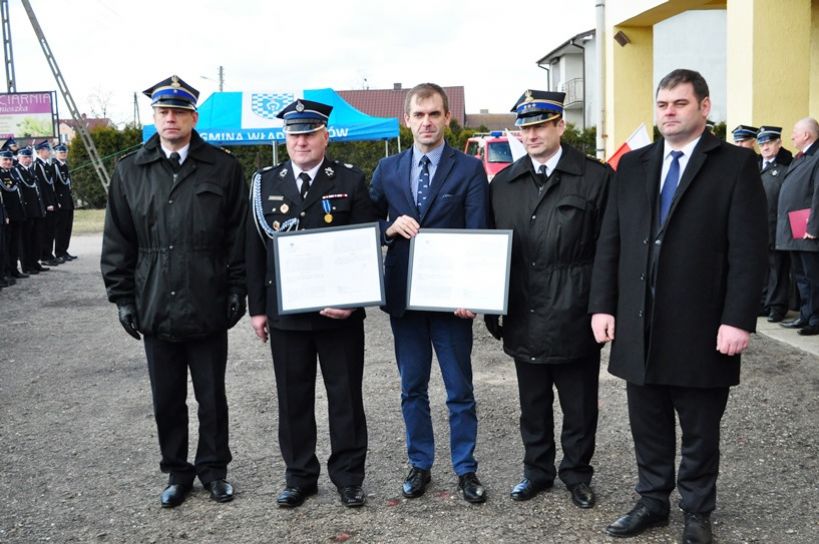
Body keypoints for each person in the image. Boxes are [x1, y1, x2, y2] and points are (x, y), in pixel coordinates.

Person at [589, 69, 767, 543]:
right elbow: (611, 240)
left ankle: (696, 510)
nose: (668, 112)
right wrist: (602, 305)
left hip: (701, 324)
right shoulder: (633, 165)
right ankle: (652, 501)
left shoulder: (734, 165)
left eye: (680, 103)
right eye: (663, 104)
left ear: (704, 107)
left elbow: (749, 251)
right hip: (639, 322)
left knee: (700, 428)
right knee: (647, 423)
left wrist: (737, 319)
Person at [101, 75, 248, 508]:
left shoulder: (222, 168)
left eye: (179, 112)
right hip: (155, 301)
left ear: (193, 118)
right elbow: (118, 240)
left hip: (207, 298)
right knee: (166, 398)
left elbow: (237, 235)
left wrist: (237, 287)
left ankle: (214, 470)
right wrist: (122, 298)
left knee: (211, 396)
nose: (171, 118)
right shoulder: (130, 170)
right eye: (163, 111)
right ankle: (177, 471)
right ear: (154, 116)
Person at [484, 90, 611, 508]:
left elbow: (609, 250)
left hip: (574, 310)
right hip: (525, 310)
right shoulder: (504, 183)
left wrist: (602, 306)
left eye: (541, 125)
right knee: (532, 404)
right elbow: (490, 248)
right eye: (525, 127)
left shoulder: (595, 178)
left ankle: (577, 473)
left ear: (560, 125)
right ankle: (536, 471)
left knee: (579, 406)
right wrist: (489, 302)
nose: (532, 134)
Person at [246, 99, 375, 509]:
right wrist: (257, 308)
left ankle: (349, 478)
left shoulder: (351, 180)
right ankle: (299, 476)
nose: (301, 141)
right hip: (287, 315)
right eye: (294, 134)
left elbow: (365, 247)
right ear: (285, 138)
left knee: (346, 398)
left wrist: (353, 300)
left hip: (340, 316)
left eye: (309, 133)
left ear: (325, 136)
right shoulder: (264, 183)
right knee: (293, 399)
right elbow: (253, 250)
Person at [369, 82, 490, 504]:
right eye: (419, 115)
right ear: (407, 120)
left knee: (459, 390)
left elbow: (479, 234)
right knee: (412, 388)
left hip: (451, 303)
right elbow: (363, 225)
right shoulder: (387, 169)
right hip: (405, 299)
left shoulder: (469, 169)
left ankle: (465, 469)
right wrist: (388, 228)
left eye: (434, 114)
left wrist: (472, 293)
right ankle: (420, 464)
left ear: (447, 118)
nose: (426, 122)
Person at [775, 117, 819, 336]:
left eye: (795, 132)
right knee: (801, 276)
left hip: (808, 227)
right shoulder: (802, 157)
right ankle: (806, 314)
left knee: (813, 276)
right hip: (795, 227)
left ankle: (816, 318)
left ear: (806, 135)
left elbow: (818, 194)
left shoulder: (817, 157)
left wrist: (814, 226)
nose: (791, 136)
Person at [757, 126, 792, 322]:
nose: (765, 147)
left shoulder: (786, 167)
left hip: (777, 225)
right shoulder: (755, 165)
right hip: (758, 227)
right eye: (762, 143)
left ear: (779, 143)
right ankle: (763, 302)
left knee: (777, 268)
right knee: (762, 268)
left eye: (769, 143)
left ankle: (777, 306)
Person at [13, 147, 48, 275]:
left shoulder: (31, 170)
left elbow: (37, 191)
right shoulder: (17, 171)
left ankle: (34, 262)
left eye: (29, 157)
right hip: (26, 211)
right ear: (19, 158)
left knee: (36, 238)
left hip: (36, 210)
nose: (28, 159)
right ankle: (26, 265)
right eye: (25, 157)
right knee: (25, 239)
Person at [1, 149, 28, 281]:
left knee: (15, 244)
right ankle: (7, 272)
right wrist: (5, 215)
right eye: (5, 159)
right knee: (6, 245)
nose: (8, 162)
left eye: (10, 159)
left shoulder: (13, 172)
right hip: (7, 216)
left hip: (17, 214)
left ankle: (14, 269)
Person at [32, 140, 59, 266]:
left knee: (51, 231)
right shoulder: (37, 166)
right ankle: (44, 256)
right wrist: (47, 203)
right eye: (48, 150)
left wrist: (55, 201)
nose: (50, 152)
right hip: (46, 204)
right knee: (45, 231)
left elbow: (51, 186)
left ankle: (49, 253)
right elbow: (41, 187)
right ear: (41, 151)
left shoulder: (46, 165)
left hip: (52, 202)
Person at [51, 143, 77, 261]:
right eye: (61, 152)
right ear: (56, 153)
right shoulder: (54, 166)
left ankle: (64, 250)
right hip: (60, 202)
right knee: (60, 229)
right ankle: (59, 252)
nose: (64, 154)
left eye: (65, 152)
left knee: (67, 228)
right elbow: (52, 186)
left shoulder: (64, 166)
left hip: (67, 201)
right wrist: (56, 201)